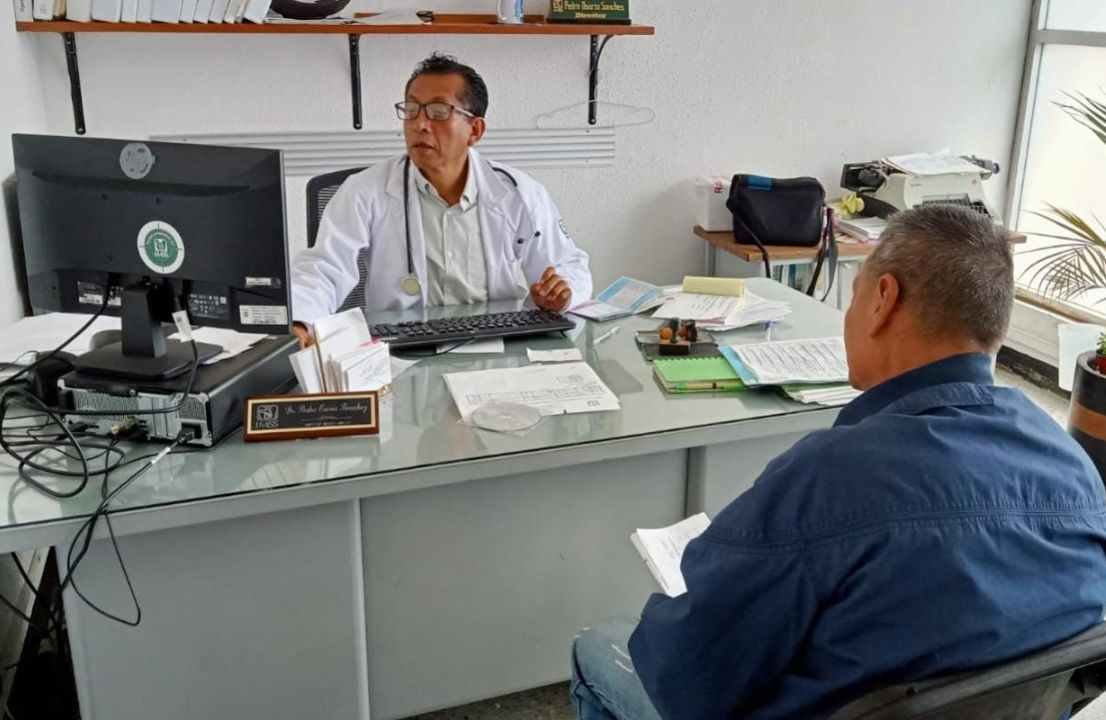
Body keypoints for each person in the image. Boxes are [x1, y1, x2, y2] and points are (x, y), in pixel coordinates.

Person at [570, 205, 1106, 720]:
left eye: (853, 296)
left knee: (602, 649)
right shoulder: (1074, 468)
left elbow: (691, 679)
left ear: (883, 300)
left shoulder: (829, 479)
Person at [290, 53, 592, 346]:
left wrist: (562, 292)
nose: (420, 124)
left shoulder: (519, 192)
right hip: (404, 348)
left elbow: (568, 265)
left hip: (500, 342)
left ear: (475, 130)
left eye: (437, 112)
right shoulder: (364, 191)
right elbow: (324, 268)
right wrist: (301, 321)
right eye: (411, 110)